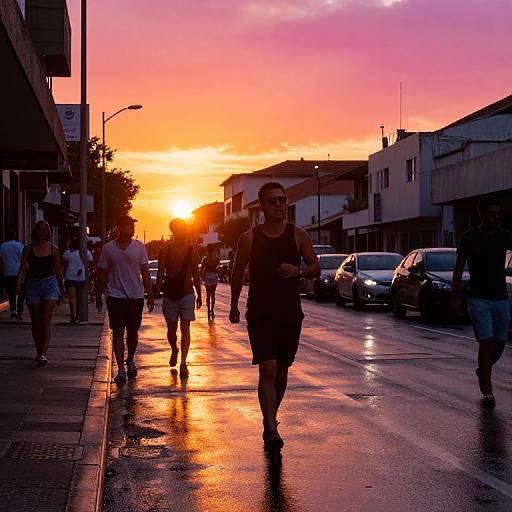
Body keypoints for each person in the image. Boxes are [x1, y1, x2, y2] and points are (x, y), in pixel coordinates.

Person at [229, 182, 320, 452]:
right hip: (260, 312)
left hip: (290, 313)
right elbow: (236, 273)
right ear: (262, 207)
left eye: (282, 200)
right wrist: (233, 306)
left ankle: (271, 418)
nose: (279, 205)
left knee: (281, 371)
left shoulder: (298, 235)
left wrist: (299, 272)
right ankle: (270, 428)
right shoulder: (249, 238)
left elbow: (315, 266)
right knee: (267, 368)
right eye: (273, 201)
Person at [452, 195, 512, 408]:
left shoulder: (505, 236)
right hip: (478, 298)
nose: (496, 218)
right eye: (492, 214)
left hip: (500, 298)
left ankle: (482, 370)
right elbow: (458, 269)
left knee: (499, 343)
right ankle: (488, 391)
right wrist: (456, 298)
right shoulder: (469, 238)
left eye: (498, 214)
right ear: (482, 215)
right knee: (486, 343)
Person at [96, 215, 154, 384]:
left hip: (135, 295)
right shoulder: (108, 249)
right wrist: (99, 294)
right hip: (115, 295)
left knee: (133, 332)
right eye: (129, 226)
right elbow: (103, 272)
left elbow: (144, 271)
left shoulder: (139, 247)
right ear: (120, 228)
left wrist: (149, 294)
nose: (133, 229)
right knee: (118, 332)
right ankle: (120, 368)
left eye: (133, 226)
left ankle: (130, 359)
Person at [155, 218, 202, 377]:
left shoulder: (192, 250)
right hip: (170, 295)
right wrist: (156, 292)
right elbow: (161, 273)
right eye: (179, 230)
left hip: (187, 293)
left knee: (186, 329)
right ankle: (174, 349)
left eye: (184, 229)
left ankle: (183, 362)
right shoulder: (164, 251)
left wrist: (199, 294)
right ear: (173, 231)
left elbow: (196, 273)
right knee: (171, 330)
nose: (182, 232)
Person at [16, 220, 65, 365]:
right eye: (40, 229)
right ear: (35, 231)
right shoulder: (28, 249)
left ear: (48, 232)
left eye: (45, 229)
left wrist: (62, 289)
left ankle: (43, 353)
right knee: (36, 321)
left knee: (45, 319)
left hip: (49, 283)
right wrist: (18, 283)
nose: (42, 232)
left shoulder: (53, 249)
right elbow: (23, 268)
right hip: (33, 284)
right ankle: (38, 351)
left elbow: (58, 270)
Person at [62, 237, 93, 323]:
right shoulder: (86, 252)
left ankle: (73, 314)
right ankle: (78, 314)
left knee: (72, 298)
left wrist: (63, 275)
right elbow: (91, 264)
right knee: (78, 297)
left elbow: (63, 265)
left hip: (70, 276)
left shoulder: (67, 253)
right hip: (81, 277)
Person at [0, 230, 24, 320]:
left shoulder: (2, 246)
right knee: (20, 292)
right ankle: (19, 311)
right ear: (14, 236)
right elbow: (23, 259)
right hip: (18, 271)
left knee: (11, 292)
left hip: (7, 272)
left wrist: (2, 272)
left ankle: (13, 310)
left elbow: (1, 261)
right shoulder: (19, 246)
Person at [201, 244, 220, 320]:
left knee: (208, 295)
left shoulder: (204, 259)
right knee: (213, 294)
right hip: (214, 275)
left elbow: (202, 269)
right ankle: (212, 309)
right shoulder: (216, 258)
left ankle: (208, 310)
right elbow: (218, 267)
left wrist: (202, 276)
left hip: (207, 275)